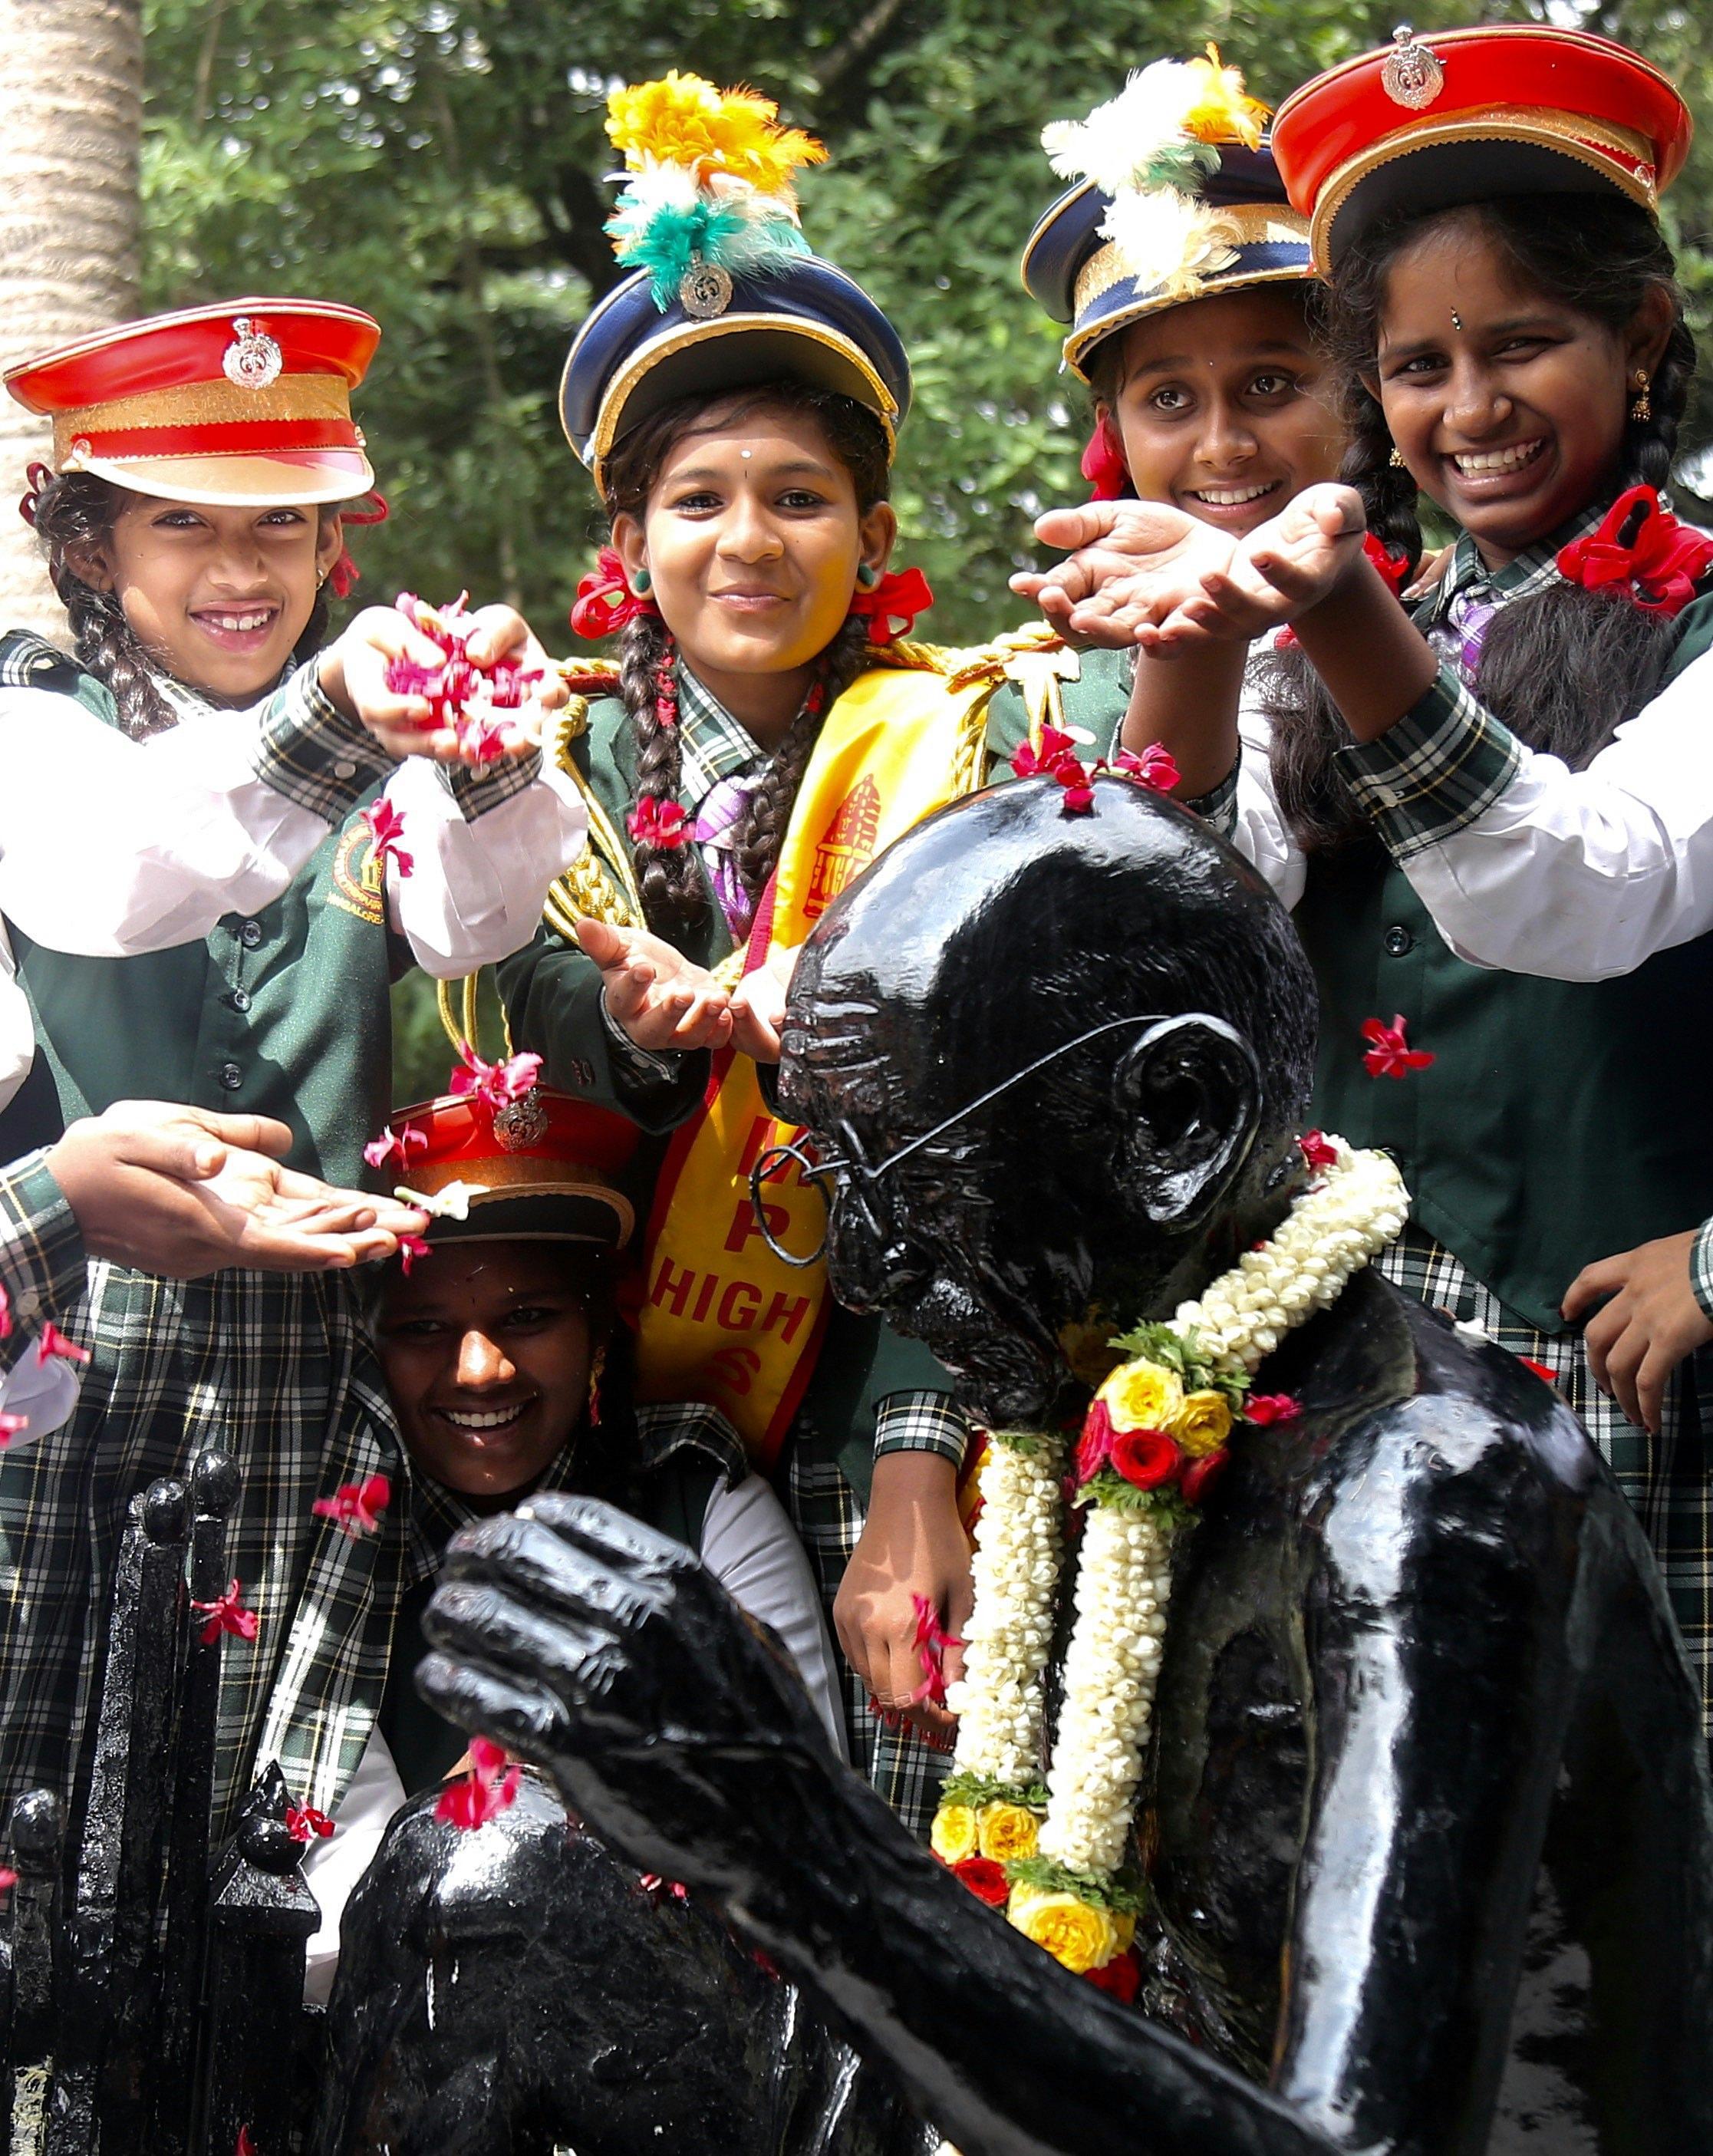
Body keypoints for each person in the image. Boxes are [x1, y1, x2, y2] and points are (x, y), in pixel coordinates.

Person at [419, 773, 1713, 2156]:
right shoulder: (1114, 1401)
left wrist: (779, 1833)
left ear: (1173, 1119)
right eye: (827, 1191)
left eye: (901, 1182)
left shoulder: (1429, 1490)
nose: (862, 1269)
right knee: (471, 1896)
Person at [1013, 25, 1713, 1732]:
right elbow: (1186, 912)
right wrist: (1202, 626)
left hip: (1654, 1358)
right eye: (1417, 364)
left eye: (1522, 345)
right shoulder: (1371, 601)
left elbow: (1583, 886)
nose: (1466, 409)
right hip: (1373, 1356)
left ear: (1640, 341)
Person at [499, 73, 1072, 1831]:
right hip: (568, 1413)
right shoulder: (543, 765)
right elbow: (485, 1076)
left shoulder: (956, 750)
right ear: (629, 547)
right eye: (699, 500)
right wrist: (627, 1035)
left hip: (871, 1401)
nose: (747, 540)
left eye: (800, 498)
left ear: (877, 539)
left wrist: (921, 1458)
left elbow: (987, 1130)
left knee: (904, 1888)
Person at [0, 297, 591, 1832]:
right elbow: (106, 877)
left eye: (284, 525)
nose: (242, 568)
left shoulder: (372, 742)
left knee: (276, 1847)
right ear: (88, 552)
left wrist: (482, 744)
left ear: (337, 547)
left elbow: (474, 925)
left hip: (308, 1362)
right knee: (45, 1808)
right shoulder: (31, 725)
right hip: (70, 1360)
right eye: (182, 522)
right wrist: (341, 713)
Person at [1013, 50, 1342, 743]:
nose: (1223, 445)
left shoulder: (1467, 626)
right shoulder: (1045, 707)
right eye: (1168, 399)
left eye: (1268, 385)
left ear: (1361, 390)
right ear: (1112, 433)